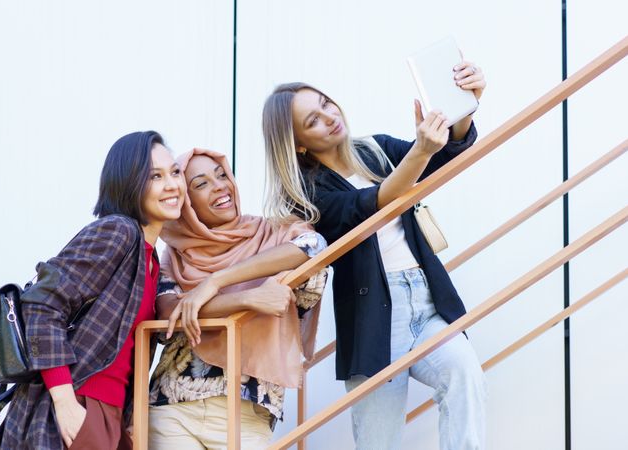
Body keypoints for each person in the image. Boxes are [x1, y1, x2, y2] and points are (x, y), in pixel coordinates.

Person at [261, 61, 488, 450]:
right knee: (378, 441)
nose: (330, 117)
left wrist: (462, 109)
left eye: (327, 104)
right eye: (313, 120)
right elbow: (374, 204)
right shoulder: (307, 195)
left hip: (427, 299)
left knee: (464, 372)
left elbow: (444, 155)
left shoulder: (376, 149)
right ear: (297, 143)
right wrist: (418, 152)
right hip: (375, 322)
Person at [0, 131, 186, 450]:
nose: (173, 184)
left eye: (175, 172)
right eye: (156, 177)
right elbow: (40, 305)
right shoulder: (118, 232)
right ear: (129, 183)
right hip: (75, 403)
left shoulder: (150, 260)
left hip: (109, 415)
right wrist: (65, 402)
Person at [147, 148, 328, 450]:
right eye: (201, 184)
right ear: (185, 202)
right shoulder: (175, 253)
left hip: (247, 414)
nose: (219, 186)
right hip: (172, 407)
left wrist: (215, 282)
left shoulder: (273, 231)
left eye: (222, 175)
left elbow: (313, 247)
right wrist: (248, 298)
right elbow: (168, 312)